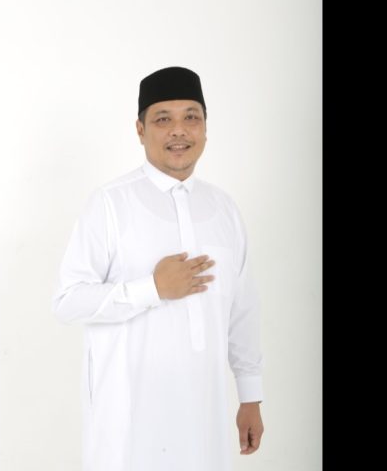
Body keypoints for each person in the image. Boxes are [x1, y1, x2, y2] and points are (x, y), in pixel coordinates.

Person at [52, 66, 264, 471]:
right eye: (163, 119)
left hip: (205, 418)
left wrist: (250, 395)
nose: (179, 130)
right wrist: (152, 288)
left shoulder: (224, 209)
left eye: (191, 117)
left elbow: (243, 309)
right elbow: (67, 301)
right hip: (129, 423)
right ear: (140, 129)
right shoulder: (110, 204)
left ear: (205, 128)